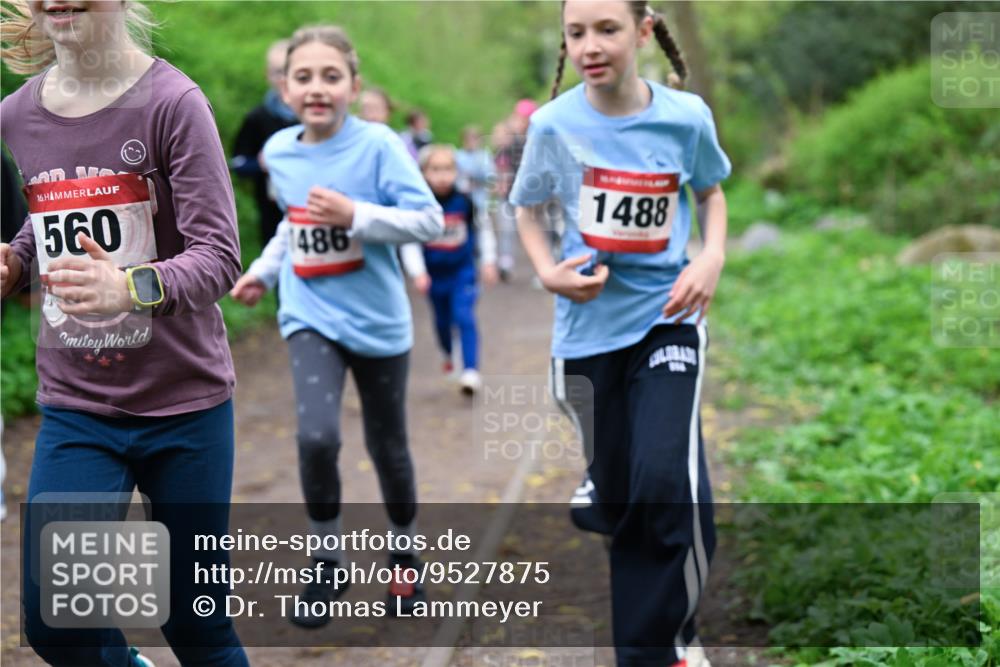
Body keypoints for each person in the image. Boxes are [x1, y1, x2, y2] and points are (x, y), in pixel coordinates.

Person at [0, 1, 249, 665]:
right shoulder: (18, 114)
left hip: (185, 405)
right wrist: (18, 258)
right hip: (78, 407)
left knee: (194, 622)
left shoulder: (172, 104)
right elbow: (52, 208)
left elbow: (220, 255)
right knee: (60, 621)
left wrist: (129, 287)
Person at [509, 2, 731, 666]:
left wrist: (711, 256)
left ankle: (661, 647)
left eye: (606, 28)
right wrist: (549, 271)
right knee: (629, 498)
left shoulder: (684, 116)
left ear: (643, 30)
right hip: (585, 338)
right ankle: (603, 487)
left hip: (668, 318)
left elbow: (712, 191)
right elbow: (526, 206)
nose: (589, 44)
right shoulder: (552, 124)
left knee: (665, 478)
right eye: (576, 32)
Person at [228, 24, 443, 628]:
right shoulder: (280, 152)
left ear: (353, 84)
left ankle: (404, 551)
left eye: (331, 76)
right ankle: (326, 559)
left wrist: (358, 215)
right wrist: (264, 273)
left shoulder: (378, 146)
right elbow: (293, 226)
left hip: (378, 319)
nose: (317, 88)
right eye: (303, 77)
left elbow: (427, 220)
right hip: (310, 313)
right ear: (283, 88)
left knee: (387, 445)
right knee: (317, 436)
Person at [401, 145, 498, 394]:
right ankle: (448, 352)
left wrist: (488, 260)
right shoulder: (418, 205)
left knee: (464, 316)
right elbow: (409, 241)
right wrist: (418, 272)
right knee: (442, 322)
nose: (442, 176)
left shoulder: (465, 202)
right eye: (435, 170)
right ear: (423, 173)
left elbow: (484, 230)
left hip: (462, 272)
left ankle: (470, 370)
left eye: (448, 169)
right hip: (434, 276)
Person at [230, 39, 299, 247]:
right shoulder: (258, 118)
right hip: (271, 211)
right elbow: (238, 163)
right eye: (278, 72)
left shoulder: (313, 117)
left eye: (290, 71)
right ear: (268, 75)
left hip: (308, 207)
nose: (283, 78)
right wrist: (261, 164)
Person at [494, 100, 536, 280]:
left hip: (532, 193)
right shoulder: (509, 137)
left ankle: (541, 268)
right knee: (507, 228)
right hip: (510, 192)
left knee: (536, 230)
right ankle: (505, 262)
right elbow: (501, 160)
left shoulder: (537, 137)